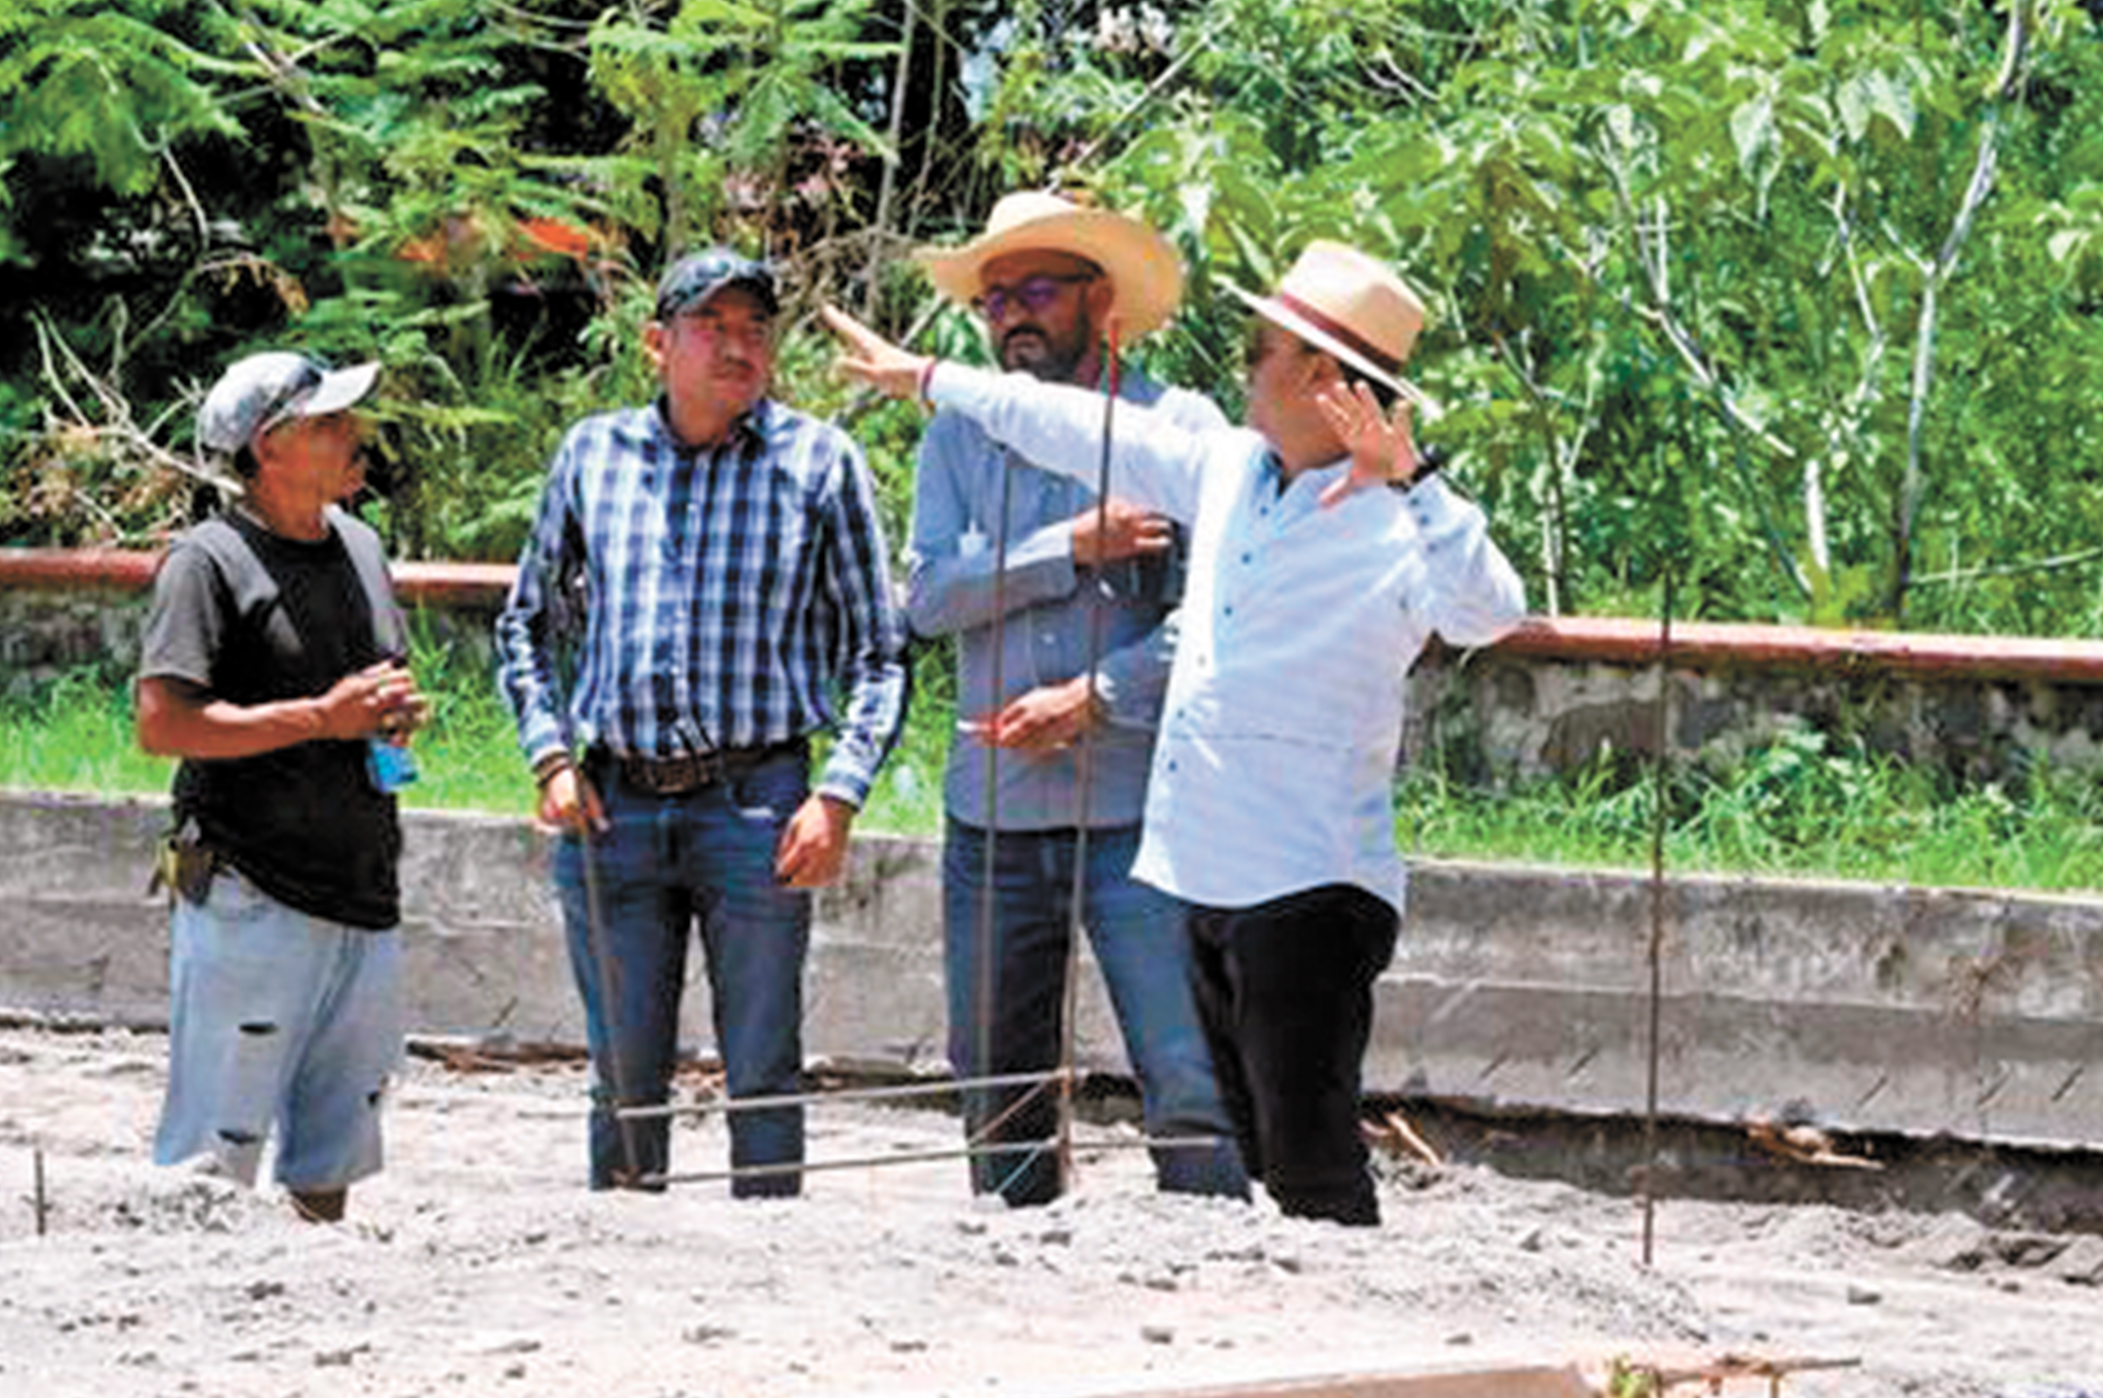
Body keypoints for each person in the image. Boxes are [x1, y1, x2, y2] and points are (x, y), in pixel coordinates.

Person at [825, 239, 1529, 1225]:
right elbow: (1072, 424)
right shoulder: (1231, 467)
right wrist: (934, 379)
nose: (1243, 365)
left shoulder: (1398, 519)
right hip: (1202, 865)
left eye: (1260, 349)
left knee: (1302, 1151)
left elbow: (1490, 610)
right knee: (1251, 1131)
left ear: (1320, 378)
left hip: (1309, 879)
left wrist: (1414, 481)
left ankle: (1326, 1301)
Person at [495, 248, 909, 1198]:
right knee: (623, 1075)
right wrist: (550, 757)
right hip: (614, 802)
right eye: (711, 326)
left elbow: (881, 652)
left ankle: (769, 1255)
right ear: (657, 343)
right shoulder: (593, 456)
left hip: (758, 805)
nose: (737, 347)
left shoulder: (819, 463)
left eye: (755, 329)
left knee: (764, 1066)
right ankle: (621, 1250)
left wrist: (839, 795)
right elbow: (526, 621)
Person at [905, 191, 1247, 1206]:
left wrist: (1098, 693)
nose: (1012, 314)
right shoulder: (957, 434)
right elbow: (927, 599)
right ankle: (1010, 1262)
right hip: (993, 815)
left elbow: (1219, 614)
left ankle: (1216, 1248)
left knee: (1186, 1068)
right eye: (995, 298)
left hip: (1142, 813)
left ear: (1101, 302)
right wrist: (1067, 548)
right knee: (992, 1074)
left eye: (1037, 292)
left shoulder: (1177, 429)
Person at [137, 350, 431, 1224]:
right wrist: (321, 718)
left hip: (361, 884)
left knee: (337, 1139)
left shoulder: (362, 547)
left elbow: (369, 683)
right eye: (329, 423)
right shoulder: (207, 563)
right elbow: (163, 725)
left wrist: (386, 717)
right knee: (212, 1148)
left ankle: (311, 1288)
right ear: (268, 448)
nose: (354, 436)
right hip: (249, 890)